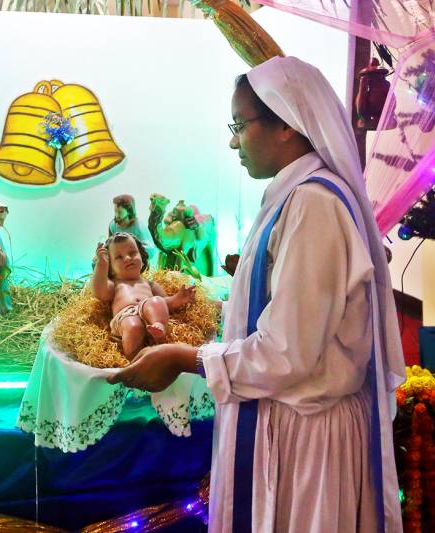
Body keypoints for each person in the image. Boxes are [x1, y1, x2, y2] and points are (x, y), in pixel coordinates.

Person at [110, 56, 405, 532]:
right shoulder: (291, 194)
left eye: (240, 125)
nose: (232, 141)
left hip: (307, 438)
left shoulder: (314, 205)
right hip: (288, 422)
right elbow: (282, 310)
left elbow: (287, 353)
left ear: (287, 125)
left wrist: (184, 357)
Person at [92, 232, 195, 360]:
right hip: (126, 316)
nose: (128, 258)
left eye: (132, 253)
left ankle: (159, 331)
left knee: (156, 301)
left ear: (141, 256)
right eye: (119, 257)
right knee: (133, 326)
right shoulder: (114, 285)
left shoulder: (149, 284)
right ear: (111, 268)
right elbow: (99, 292)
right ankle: (136, 359)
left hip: (151, 317)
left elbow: (165, 302)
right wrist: (101, 264)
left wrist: (177, 299)